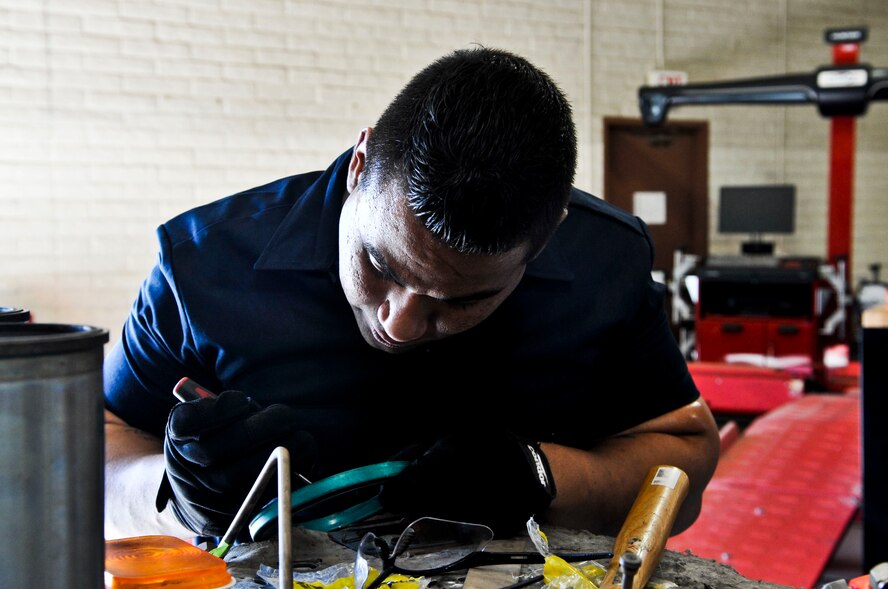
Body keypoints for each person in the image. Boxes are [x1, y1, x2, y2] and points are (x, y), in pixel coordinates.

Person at [103, 46, 720, 542]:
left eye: (459, 301)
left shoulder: (603, 261)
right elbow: (91, 453)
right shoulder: (206, 264)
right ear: (359, 163)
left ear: (548, 239)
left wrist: (546, 476)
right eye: (378, 264)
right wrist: (176, 493)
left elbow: (685, 451)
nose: (398, 323)